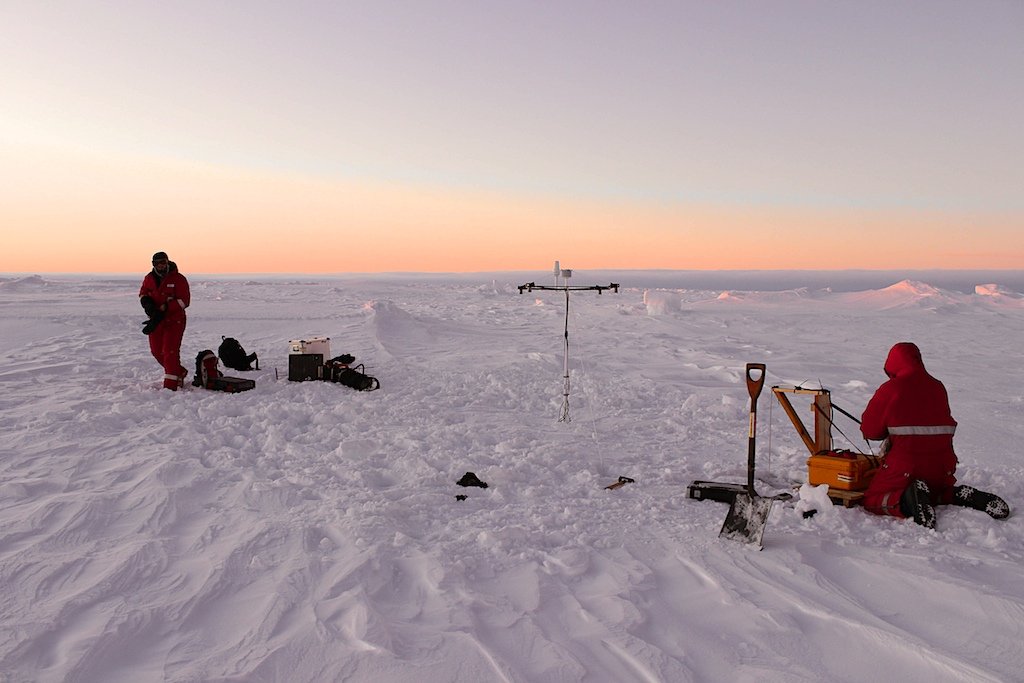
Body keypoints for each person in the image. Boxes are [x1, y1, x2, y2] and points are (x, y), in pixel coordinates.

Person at [860, 342, 1009, 528]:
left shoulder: (891, 388)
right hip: (942, 467)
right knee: (933, 492)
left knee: (872, 499)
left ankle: (906, 500)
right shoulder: (938, 387)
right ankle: (955, 494)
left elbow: (870, 431)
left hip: (906, 466)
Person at [139, 251, 190, 390]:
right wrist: (147, 303)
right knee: (157, 351)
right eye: (158, 263)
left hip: (174, 321)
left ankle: (171, 386)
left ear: (168, 262)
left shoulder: (178, 279)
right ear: (153, 264)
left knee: (170, 351)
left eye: (163, 262)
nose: (161, 266)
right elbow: (143, 293)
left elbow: (184, 301)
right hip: (156, 320)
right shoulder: (149, 278)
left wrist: (166, 307)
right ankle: (179, 371)